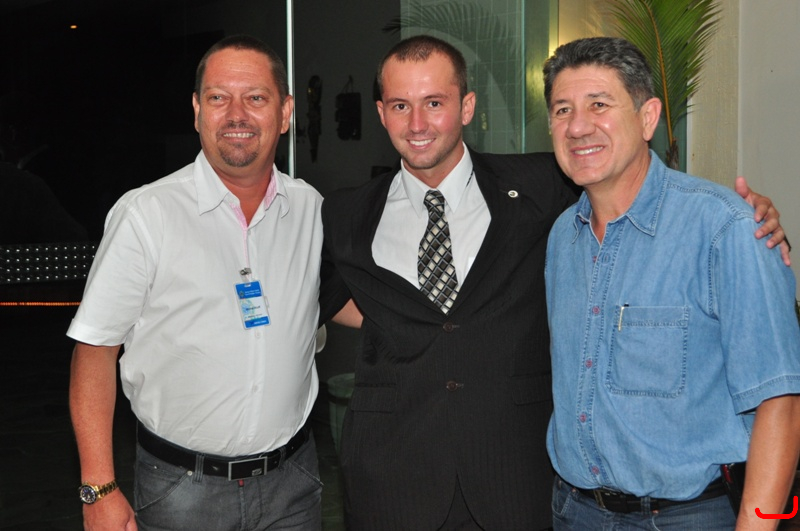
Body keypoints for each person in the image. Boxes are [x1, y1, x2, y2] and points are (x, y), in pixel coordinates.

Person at [319, 34, 788, 530]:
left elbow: (780, 402)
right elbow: (323, 300)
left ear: (467, 107)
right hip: (540, 503)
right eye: (563, 110)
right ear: (381, 113)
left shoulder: (545, 192)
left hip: (572, 495)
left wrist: (749, 225)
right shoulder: (349, 212)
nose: (417, 123)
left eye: (434, 102)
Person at [68, 35, 326, 530]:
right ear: (197, 110)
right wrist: (97, 488)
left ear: (285, 112)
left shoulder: (310, 210)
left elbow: (340, 299)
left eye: (255, 97)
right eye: (218, 97)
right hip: (182, 491)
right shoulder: (146, 215)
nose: (236, 114)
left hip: (294, 483)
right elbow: (95, 350)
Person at [543, 37, 800, 530]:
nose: (577, 126)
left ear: (648, 118)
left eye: (599, 105)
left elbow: (781, 403)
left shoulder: (725, 229)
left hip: (688, 517)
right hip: (574, 512)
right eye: (562, 110)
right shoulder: (562, 238)